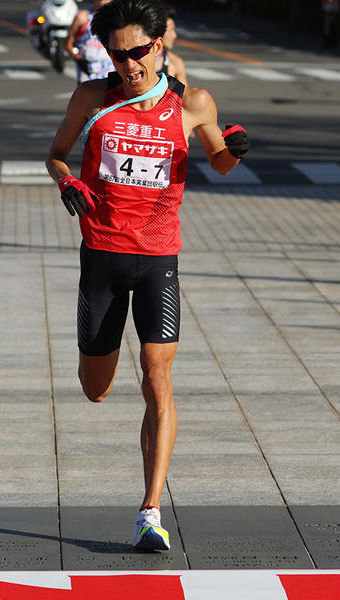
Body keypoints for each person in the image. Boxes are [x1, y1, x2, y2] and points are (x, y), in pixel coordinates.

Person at [45, 0, 249, 552]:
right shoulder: (92, 97)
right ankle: (98, 364)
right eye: (117, 53)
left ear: (159, 44)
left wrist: (236, 149)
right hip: (103, 255)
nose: (128, 63)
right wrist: (67, 182)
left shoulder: (193, 103)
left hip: (159, 257)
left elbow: (220, 161)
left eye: (137, 51)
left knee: (158, 378)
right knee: (96, 389)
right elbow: (56, 154)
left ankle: (150, 510)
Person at [66, 0, 115, 83]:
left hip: (111, 74)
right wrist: (79, 60)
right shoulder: (82, 17)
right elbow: (68, 43)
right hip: (87, 76)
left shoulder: (117, 19)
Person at [156, 3, 187, 85]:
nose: (174, 35)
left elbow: (184, 96)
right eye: (170, 30)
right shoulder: (134, 62)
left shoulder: (175, 62)